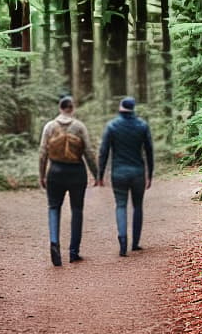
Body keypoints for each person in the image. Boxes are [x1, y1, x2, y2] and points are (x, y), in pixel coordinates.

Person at [38, 95, 98, 266]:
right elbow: (88, 152)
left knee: (53, 208)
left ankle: (55, 242)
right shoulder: (79, 127)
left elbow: (43, 153)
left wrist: (42, 175)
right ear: (72, 108)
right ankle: (73, 252)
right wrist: (96, 174)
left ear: (60, 108)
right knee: (77, 209)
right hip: (76, 172)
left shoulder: (49, 126)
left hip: (55, 171)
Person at [98, 96, 154, 256]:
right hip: (138, 173)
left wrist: (100, 175)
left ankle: (123, 242)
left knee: (121, 206)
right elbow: (149, 151)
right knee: (138, 206)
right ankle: (135, 243)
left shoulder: (112, 126)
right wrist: (149, 174)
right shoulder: (142, 126)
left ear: (121, 107)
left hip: (118, 173)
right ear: (133, 108)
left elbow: (104, 152)